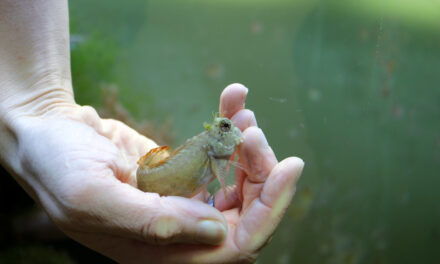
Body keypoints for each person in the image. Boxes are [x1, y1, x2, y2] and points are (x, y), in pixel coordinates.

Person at [0, 0, 304, 263]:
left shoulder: (211, 148)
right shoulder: (211, 150)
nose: (232, 131)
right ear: (214, 136)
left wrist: (41, 108)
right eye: (224, 127)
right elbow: (217, 174)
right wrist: (37, 110)